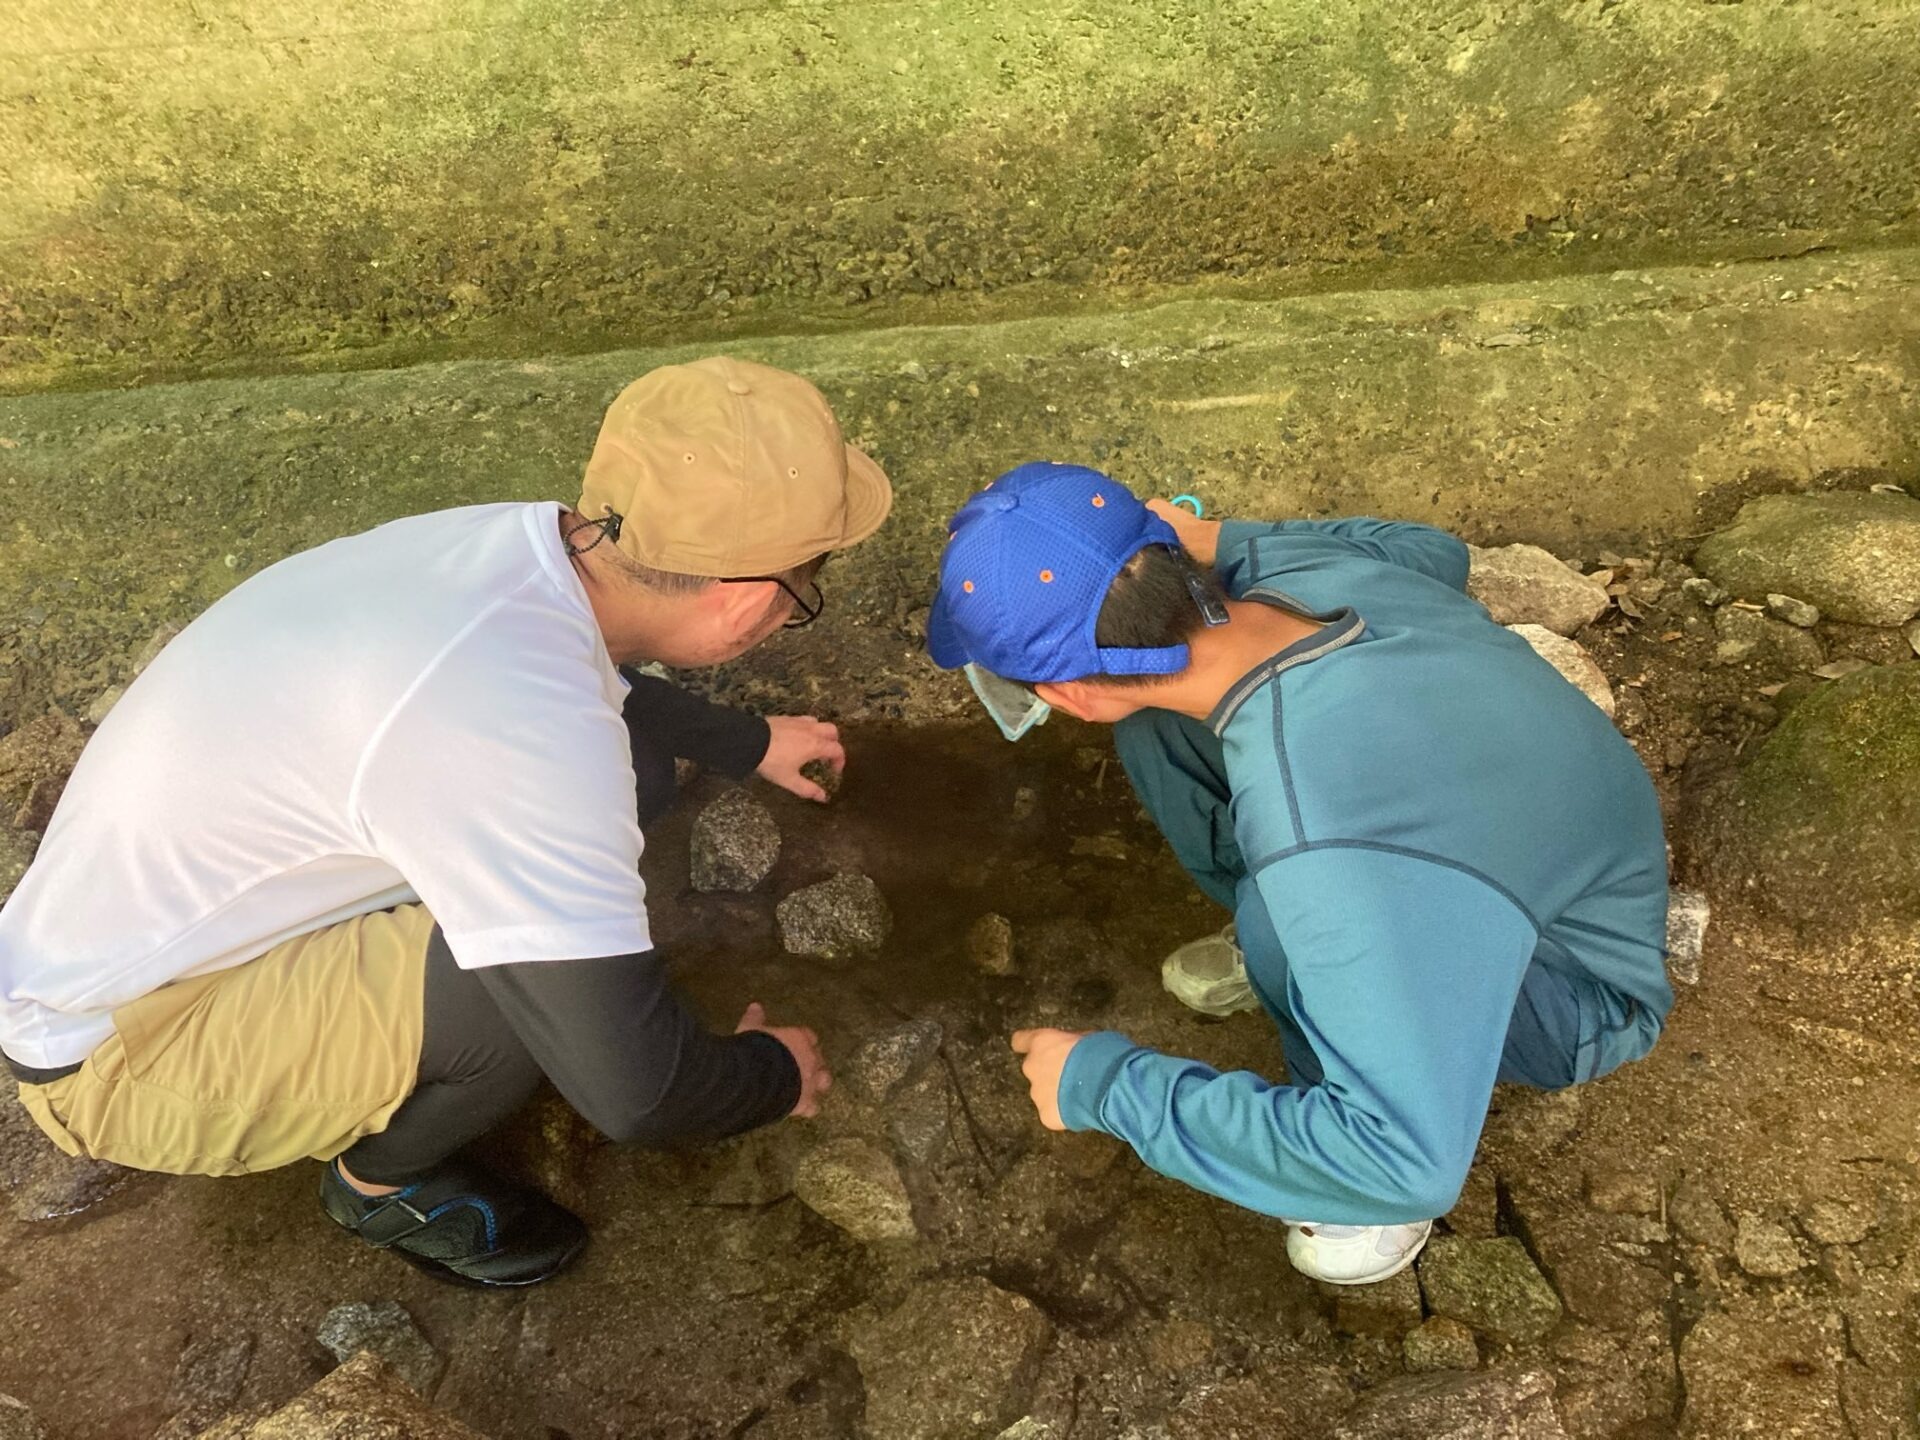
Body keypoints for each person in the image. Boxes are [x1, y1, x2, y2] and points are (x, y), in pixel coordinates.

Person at [0, 357, 890, 1287]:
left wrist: (743, 741)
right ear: (752, 604)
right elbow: (638, 1091)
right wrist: (772, 1072)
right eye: (801, 592)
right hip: (121, 1047)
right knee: (521, 1016)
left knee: (626, 784)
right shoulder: (517, 733)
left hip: (141, 926)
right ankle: (379, 1184)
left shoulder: (511, 551)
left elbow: (590, 679)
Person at [926, 462, 1670, 1285]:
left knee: (1279, 923)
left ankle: (1361, 1200)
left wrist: (1103, 1086)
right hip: (1535, 841)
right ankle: (1326, 961)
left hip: (1582, 990)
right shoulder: (1306, 575)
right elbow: (1435, 552)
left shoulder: (1322, 845)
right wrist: (1225, 538)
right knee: (1160, 732)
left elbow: (1409, 1159)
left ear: (1067, 694)